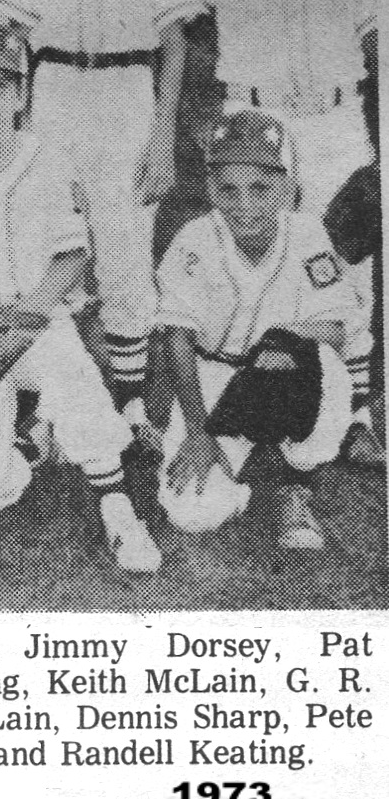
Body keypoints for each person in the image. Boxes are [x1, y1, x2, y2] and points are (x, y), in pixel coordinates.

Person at [0, 22, 162, 573]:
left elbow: (73, 255)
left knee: (72, 374)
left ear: (22, 95)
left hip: (36, 315)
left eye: (2, 85)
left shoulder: (49, 157)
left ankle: (120, 513)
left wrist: (27, 313)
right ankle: (25, 443)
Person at [0, 0, 201, 421]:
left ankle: (129, 405)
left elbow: (174, 45)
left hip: (127, 92)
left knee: (124, 253)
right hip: (51, 90)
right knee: (44, 245)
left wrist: (163, 139)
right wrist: (14, 120)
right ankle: (36, 404)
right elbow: (12, 39)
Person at [188, 0, 378, 427]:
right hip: (250, 119)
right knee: (250, 253)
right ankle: (247, 383)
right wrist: (196, 117)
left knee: (347, 262)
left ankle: (353, 409)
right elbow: (166, 30)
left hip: (333, 126)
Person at [155, 109, 363, 548]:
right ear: (211, 188)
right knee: (192, 513)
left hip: (285, 369)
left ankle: (296, 483)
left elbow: (339, 328)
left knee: (329, 367)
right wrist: (198, 431)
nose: (244, 204)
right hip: (214, 374)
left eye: (260, 188)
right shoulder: (194, 238)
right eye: (228, 189)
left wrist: (280, 338)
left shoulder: (307, 234)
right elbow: (177, 337)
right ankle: (240, 456)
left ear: (285, 188)